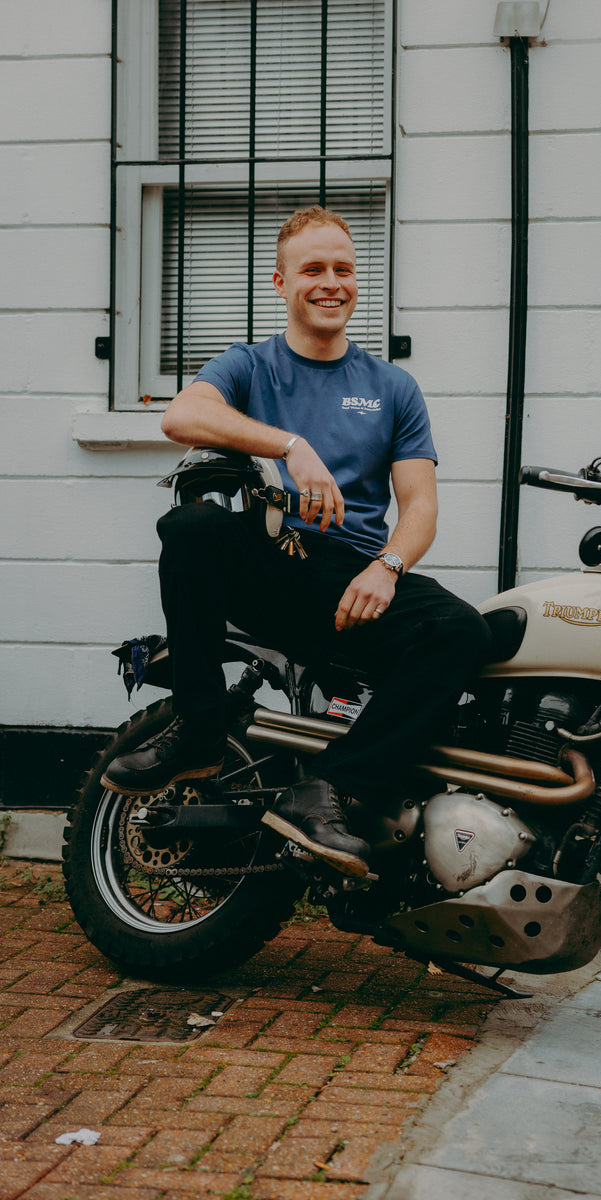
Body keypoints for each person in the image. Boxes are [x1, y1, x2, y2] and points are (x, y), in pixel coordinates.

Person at [102, 206, 493, 877]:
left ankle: (333, 790)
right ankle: (198, 726)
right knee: (192, 527)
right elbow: (181, 415)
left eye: (343, 268)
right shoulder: (251, 366)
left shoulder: (391, 387)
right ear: (281, 283)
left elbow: (420, 505)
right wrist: (290, 445)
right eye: (313, 269)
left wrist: (388, 567)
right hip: (273, 566)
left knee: (461, 631)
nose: (330, 282)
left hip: (354, 581)